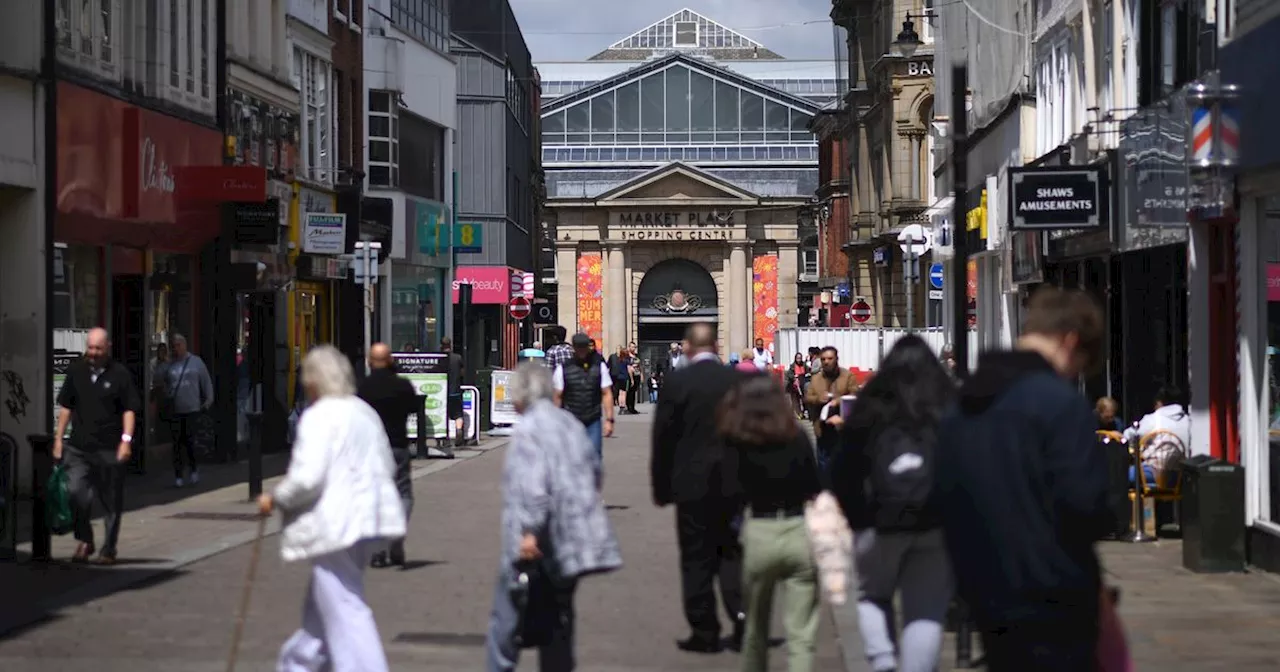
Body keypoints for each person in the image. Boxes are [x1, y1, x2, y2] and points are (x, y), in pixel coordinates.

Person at [933, 287, 1113, 671]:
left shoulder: (963, 402)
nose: (1074, 374)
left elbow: (943, 494)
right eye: (1080, 363)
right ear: (1070, 341)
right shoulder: (1059, 403)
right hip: (1055, 598)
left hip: (984, 592)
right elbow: (1087, 505)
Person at [259, 345, 406, 672]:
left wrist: (276, 497)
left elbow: (307, 477)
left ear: (313, 383)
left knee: (344, 604)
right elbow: (386, 462)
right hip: (368, 520)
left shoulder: (319, 416)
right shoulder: (362, 411)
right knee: (323, 608)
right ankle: (298, 664)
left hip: (337, 523)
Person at [485, 363, 623, 672]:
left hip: (535, 542)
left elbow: (533, 487)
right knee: (560, 620)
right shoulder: (569, 424)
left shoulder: (529, 429)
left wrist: (530, 533)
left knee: (506, 622)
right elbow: (595, 471)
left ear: (520, 396)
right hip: (569, 542)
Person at [830, 335, 956, 672]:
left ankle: (883, 660)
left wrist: (857, 520)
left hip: (879, 520)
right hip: (936, 522)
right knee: (926, 611)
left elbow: (843, 470)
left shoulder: (871, 405)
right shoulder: (949, 406)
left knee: (871, 595)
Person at [651, 322, 747, 654]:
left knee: (696, 557)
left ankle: (704, 631)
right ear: (717, 346)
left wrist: (661, 486)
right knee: (731, 552)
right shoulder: (735, 381)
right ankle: (742, 616)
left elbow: (663, 437)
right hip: (733, 483)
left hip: (690, 484)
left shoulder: (678, 381)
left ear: (688, 348)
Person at [717, 375, 822, 672]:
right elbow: (814, 485)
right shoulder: (796, 436)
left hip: (760, 531)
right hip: (796, 529)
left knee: (755, 630)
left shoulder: (738, 438)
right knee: (801, 634)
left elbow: (728, 491)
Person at [53, 327, 141, 565]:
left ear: (107, 348)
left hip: (110, 448)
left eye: (97, 349)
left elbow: (129, 410)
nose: (92, 353)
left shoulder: (120, 374)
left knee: (111, 500)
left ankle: (108, 549)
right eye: (90, 348)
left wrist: (126, 441)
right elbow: (66, 408)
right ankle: (85, 539)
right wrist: (59, 439)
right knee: (75, 493)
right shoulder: (76, 371)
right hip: (79, 447)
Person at [358, 343, 418, 568]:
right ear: (390, 360)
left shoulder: (364, 388)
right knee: (403, 493)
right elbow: (414, 407)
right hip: (397, 446)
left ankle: (379, 549)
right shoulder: (401, 385)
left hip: (371, 450)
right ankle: (396, 533)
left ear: (369, 361)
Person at [553, 333, 615, 464]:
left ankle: (592, 483)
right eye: (579, 347)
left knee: (594, 458)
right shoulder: (563, 368)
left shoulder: (599, 366)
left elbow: (606, 393)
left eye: (584, 347)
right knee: (571, 457)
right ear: (574, 348)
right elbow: (557, 396)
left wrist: (609, 419)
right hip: (570, 419)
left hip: (592, 418)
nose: (582, 351)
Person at [164, 333, 213, 487]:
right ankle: (178, 475)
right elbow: (162, 382)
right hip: (176, 410)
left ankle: (193, 471)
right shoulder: (170, 365)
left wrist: (208, 401)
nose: (176, 348)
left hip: (193, 409)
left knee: (191, 442)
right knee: (177, 444)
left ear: (185, 345)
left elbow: (206, 382)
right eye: (174, 346)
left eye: (178, 345)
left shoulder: (196, 362)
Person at [803, 346, 859, 471]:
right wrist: (818, 399)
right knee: (824, 467)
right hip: (822, 429)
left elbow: (855, 395)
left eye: (830, 358)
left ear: (836, 359)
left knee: (844, 468)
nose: (826, 362)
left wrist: (838, 401)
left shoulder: (847, 376)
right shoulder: (816, 378)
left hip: (843, 429)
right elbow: (807, 398)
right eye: (823, 359)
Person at [1123, 385, 1191, 485]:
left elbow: (1129, 436)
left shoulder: (1153, 419)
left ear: (1159, 402)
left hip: (1155, 472)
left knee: (1118, 474)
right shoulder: (1188, 420)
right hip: (1179, 476)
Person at [441, 337, 466, 447]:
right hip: (455, 390)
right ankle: (459, 429)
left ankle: (444, 438)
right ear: (450, 345)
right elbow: (462, 373)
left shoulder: (439, 359)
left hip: (442, 392)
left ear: (442, 345)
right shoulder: (457, 358)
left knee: (442, 414)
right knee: (458, 414)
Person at [784, 353, 809, 417]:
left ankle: (804, 410)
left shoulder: (804, 364)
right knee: (796, 397)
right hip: (795, 383)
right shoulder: (792, 366)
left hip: (803, 382)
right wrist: (794, 377)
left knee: (804, 397)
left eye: (800, 358)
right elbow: (789, 374)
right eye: (798, 358)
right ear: (795, 358)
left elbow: (808, 371)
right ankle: (799, 412)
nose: (799, 360)